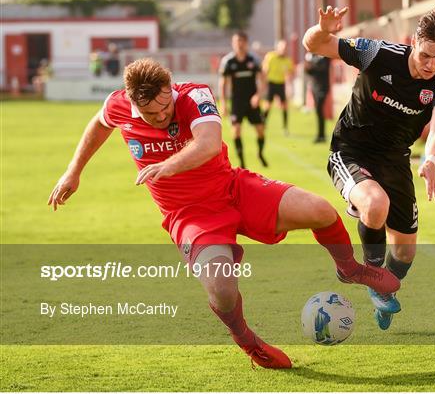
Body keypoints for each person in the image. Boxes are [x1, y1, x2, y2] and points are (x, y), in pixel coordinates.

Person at [48, 58, 399, 369]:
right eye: (150, 115)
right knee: (222, 290)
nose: (161, 117)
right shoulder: (118, 105)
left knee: (320, 210)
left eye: (165, 107)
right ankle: (248, 341)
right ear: (132, 103)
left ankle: (350, 268)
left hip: (232, 189)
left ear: (171, 89)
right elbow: (98, 124)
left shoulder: (194, 95)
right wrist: (73, 171)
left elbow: (209, 142)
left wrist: (167, 166)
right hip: (189, 215)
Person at [303, 5, 435, 330]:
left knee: (405, 253)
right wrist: (324, 30)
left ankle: (384, 287)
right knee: (375, 205)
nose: (432, 64)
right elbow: (314, 45)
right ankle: (373, 277)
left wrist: (430, 160)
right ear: (414, 40)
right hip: (351, 150)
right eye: (427, 54)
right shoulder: (376, 53)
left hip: (395, 159)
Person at [219, 32, 267, 168]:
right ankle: (242, 162)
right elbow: (223, 83)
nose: (239, 44)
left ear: (246, 43)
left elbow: (263, 79)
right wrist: (223, 103)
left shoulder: (254, 60)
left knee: (261, 130)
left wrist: (258, 95)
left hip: (252, 102)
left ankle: (260, 153)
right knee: (236, 130)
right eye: (236, 41)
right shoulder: (228, 61)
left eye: (242, 41)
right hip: (237, 102)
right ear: (233, 43)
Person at [262, 39, 294, 135]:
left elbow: (290, 73)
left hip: (281, 84)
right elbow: (265, 71)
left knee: (284, 106)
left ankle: (285, 128)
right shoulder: (270, 56)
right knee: (267, 106)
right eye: (282, 47)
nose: (284, 49)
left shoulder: (288, 60)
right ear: (277, 48)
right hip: (271, 83)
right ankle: (262, 123)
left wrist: (289, 87)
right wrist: (263, 85)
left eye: (285, 48)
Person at [304, 52, 331, 143]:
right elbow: (309, 72)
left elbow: (322, 67)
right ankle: (321, 135)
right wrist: (307, 65)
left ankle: (321, 135)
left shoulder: (325, 56)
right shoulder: (312, 56)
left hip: (322, 87)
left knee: (319, 110)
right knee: (318, 112)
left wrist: (312, 62)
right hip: (315, 87)